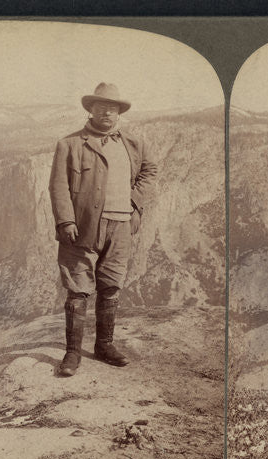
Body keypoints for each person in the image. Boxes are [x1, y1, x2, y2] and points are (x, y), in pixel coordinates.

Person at [49, 82, 157, 376]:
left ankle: (104, 345)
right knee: (78, 289)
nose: (107, 112)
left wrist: (135, 202)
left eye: (113, 108)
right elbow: (58, 185)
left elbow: (150, 171)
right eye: (101, 107)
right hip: (81, 228)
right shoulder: (69, 144)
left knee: (110, 286)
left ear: (119, 112)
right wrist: (65, 220)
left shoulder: (133, 144)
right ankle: (72, 353)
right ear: (91, 110)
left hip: (121, 225)